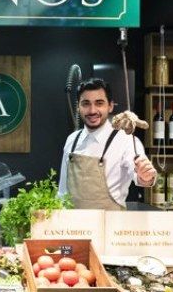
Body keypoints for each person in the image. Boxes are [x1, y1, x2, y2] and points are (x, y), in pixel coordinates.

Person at [59, 78, 156, 210]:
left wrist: (146, 176)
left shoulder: (125, 140)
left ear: (110, 106)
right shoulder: (72, 139)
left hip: (111, 225)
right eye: (86, 103)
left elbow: (142, 177)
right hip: (74, 227)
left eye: (99, 103)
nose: (92, 110)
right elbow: (62, 192)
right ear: (78, 107)